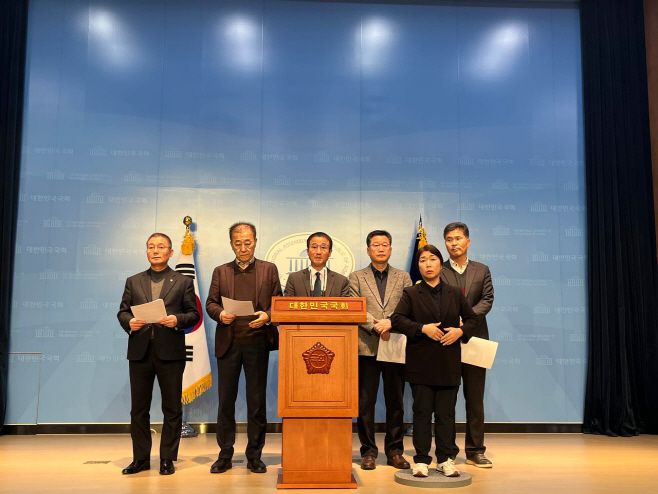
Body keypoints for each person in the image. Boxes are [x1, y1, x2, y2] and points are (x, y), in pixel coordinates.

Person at [392, 244, 479, 478]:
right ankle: (421, 460)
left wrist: (460, 332)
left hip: (448, 363)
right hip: (421, 364)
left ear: (441, 264)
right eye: (422, 260)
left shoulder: (455, 292)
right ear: (418, 266)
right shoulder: (411, 293)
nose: (427, 264)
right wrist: (422, 328)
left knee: (446, 415)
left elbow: (473, 320)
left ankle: (445, 459)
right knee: (421, 413)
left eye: (432, 259)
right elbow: (397, 319)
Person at [117, 232, 200, 476]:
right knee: (138, 410)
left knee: (172, 408)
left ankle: (167, 458)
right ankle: (140, 459)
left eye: (161, 247)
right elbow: (122, 312)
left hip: (171, 352)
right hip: (140, 352)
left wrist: (177, 320)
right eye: (151, 246)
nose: (155, 251)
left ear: (171, 252)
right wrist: (129, 322)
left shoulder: (183, 281)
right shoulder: (133, 281)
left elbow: (193, 314)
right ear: (146, 251)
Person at [206, 222, 282, 474]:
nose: (243, 248)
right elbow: (210, 303)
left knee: (256, 402)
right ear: (231, 244)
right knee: (226, 402)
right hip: (228, 343)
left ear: (255, 242)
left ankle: (254, 455)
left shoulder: (269, 269)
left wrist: (267, 316)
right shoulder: (221, 271)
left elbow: (278, 302)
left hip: (257, 342)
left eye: (247, 242)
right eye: (237, 243)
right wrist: (220, 314)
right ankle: (225, 454)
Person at [349, 230, 412, 471]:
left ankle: (395, 451)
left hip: (394, 344)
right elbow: (355, 307)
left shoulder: (403, 277)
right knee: (366, 402)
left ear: (391, 249)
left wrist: (391, 322)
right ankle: (368, 452)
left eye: (385, 244)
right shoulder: (356, 277)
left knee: (395, 401)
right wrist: (375, 324)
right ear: (368, 250)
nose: (381, 248)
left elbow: (408, 305)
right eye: (376, 245)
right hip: (367, 346)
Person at [441, 222, 494, 468]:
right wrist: (455, 320)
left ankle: (475, 450)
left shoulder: (482, 270)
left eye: (458, 238)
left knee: (475, 399)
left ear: (468, 241)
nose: (454, 243)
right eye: (449, 239)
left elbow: (487, 299)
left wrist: (466, 319)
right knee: (447, 400)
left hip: (475, 339)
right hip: (447, 340)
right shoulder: (438, 270)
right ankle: (448, 451)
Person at [284, 232, 350, 297]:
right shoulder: (294, 279)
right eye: (314, 247)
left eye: (323, 247)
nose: (318, 252)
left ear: (330, 252)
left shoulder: (341, 281)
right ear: (307, 251)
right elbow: (286, 303)